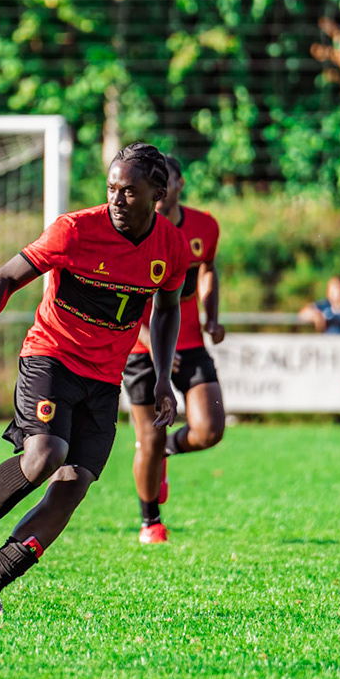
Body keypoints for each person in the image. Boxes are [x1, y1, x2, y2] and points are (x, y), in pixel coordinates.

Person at [0, 143, 189, 617]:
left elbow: (167, 310)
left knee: (73, 485)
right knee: (46, 454)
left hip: (105, 379)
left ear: (158, 194)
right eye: (111, 188)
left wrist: (163, 379)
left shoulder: (170, 246)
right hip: (51, 358)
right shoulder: (75, 230)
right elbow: (6, 277)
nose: (117, 199)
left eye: (129, 191)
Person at [124, 154, 226, 545]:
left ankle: (166, 449)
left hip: (190, 342)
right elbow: (125, 295)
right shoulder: (136, 230)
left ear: (178, 185)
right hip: (140, 348)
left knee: (210, 429)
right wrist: (152, 344)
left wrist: (211, 316)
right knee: (145, 439)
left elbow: (207, 268)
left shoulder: (204, 226)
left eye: (164, 180)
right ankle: (150, 521)